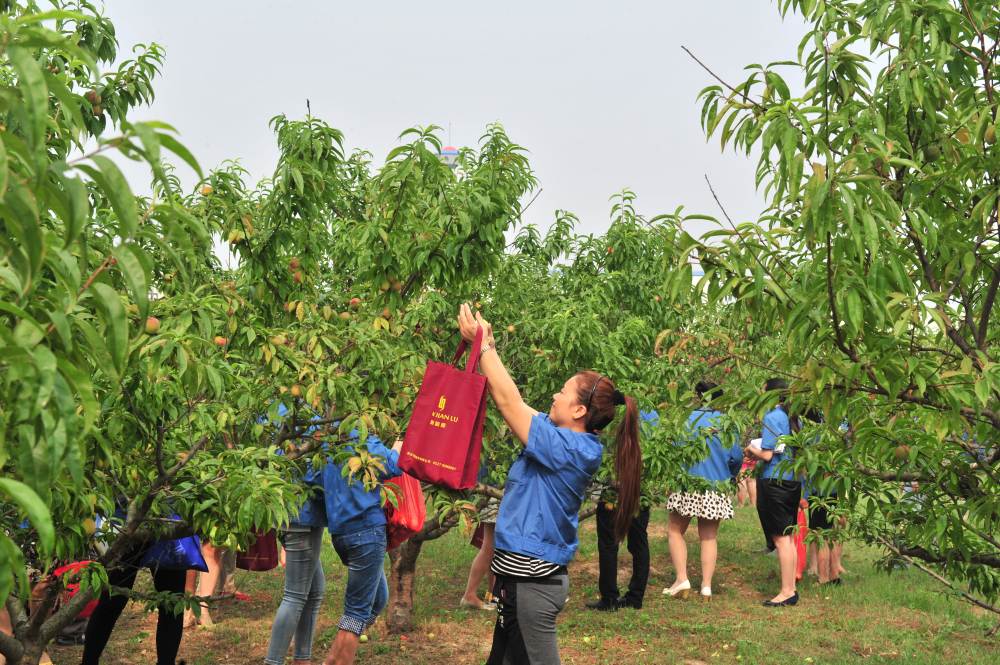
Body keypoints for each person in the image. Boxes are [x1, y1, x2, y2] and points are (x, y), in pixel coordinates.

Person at [456, 304, 643, 665]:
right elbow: (513, 402)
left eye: (562, 392)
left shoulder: (571, 448)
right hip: (517, 583)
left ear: (579, 411)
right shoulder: (558, 435)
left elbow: (510, 403)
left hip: (532, 586)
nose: (555, 396)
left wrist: (484, 349)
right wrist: (486, 347)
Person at [320, 428, 404, 665]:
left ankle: (331, 660)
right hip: (365, 531)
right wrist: (401, 439)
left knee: (378, 598)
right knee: (356, 613)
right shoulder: (362, 435)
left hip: (341, 533)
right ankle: (341, 659)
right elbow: (393, 465)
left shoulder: (327, 438)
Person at [663, 381, 742, 602]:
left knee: (675, 530)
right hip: (715, 486)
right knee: (708, 538)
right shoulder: (727, 422)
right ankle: (706, 586)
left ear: (696, 397)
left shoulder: (686, 419)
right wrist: (729, 474)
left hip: (687, 483)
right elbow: (736, 457)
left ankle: (682, 579)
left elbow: (674, 451)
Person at [585, 409, 658, 611]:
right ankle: (635, 597)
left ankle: (609, 599)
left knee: (608, 544)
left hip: (613, 488)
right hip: (638, 489)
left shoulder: (609, 415)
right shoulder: (653, 416)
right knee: (639, 543)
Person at [265, 440, 328, 665]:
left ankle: (302, 659)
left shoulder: (274, 409)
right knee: (294, 595)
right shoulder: (313, 419)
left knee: (315, 588)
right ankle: (274, 662)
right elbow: (313, 473)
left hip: (283, 511)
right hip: (302, 516)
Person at [743, 377, 801, 607]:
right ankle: (791, 588)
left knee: (781, 539)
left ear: (771, 395)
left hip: (775, 481)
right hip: (792, 480)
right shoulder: (793, 417)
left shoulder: (772, 417)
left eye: (763, 392)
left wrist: (750, 449)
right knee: (788, 537)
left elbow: (767, 455)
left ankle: (787, 591)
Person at [460, 497, 498, 610]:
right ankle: (470, 596)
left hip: (490, 499)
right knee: (489, 548)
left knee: (492, 548)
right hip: (495, 500)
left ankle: (493, 593)